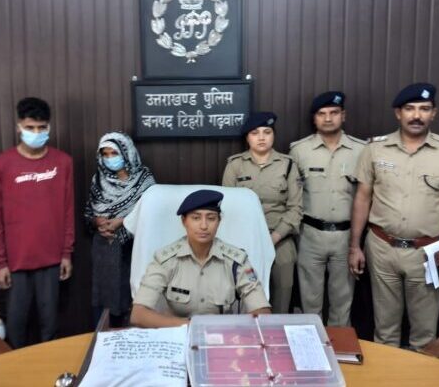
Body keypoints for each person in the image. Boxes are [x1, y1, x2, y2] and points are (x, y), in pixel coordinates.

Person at [348, 83, 439, 349]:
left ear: (434, 113)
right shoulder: (375, 149)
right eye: (410, 109)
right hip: (381, 248)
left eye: (424, 109)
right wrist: (354, 246)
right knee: (385, 331)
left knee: (424, 336)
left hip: (427, 254)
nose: (417, 115)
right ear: (398, 113)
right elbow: (362, 198)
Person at [0, 97, 74, 349]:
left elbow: (68, 210)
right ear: (19, 127)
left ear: (49, 127)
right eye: (30, 127)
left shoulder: (63, 162)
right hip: (15, 262)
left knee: (50, 325)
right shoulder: (1, 164)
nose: (36, 133)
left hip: (52, 260)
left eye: (41, 127)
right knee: (16, 326)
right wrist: (0, 262)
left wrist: (66, 253)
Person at [130, 190, 271, 328]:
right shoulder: (165, 260)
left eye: (211, 218)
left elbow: (262, 312)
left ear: (219, 221)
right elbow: (138, 315)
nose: (204, 226)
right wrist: (194, 327)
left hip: (222, 336)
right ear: (184, 221)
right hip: (178, 334)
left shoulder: (237, 261)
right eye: (196, 218)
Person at [289, 91, 365, 326]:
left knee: (342, 303)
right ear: (314, 119)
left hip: (346, 237)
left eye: (334, 113)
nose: (328, 118)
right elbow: (292, 196)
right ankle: (312, 347)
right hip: (310, 235)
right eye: (322, 114)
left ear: (343, 115)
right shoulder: (299, 150)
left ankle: (339, 347)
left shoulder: (361, 150)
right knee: (309, 302)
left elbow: (367, 196)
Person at [222, 112, 303, 314]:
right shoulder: (235, 165)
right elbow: (227, 207)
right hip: (244, 242)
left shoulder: (287, 164)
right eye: (255, 133)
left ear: (273, 135)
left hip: (280, 239)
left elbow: (296, 208)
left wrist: (274, 237)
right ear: (247, 138)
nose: (261, 137)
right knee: (245, 297)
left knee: (282, 294)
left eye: (267, 132)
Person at [85, 132, 156, 327]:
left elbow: (151, 213)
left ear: (127, 152)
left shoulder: (144, 179)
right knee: (106, 300)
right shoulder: (98, 180)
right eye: (105, 154)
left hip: (134, 247)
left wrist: (122, 221)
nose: (110, 159)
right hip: (105, 249)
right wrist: (97, 222)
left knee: (133, 297)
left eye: (114, 153)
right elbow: (89, 213)